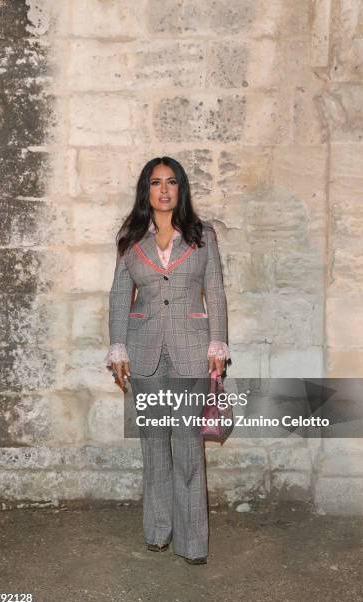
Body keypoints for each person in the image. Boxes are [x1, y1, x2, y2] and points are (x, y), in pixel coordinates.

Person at [105, 156, 229, 565]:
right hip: (144, 355)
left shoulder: (202, 235)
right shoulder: (130, 237)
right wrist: (117, 347)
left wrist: (218, 345)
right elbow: (121, 295)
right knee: (154, 445)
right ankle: (158, 531)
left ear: (181, 189)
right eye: (155, 182)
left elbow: (216, 291)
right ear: (146, 190)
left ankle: (192, 543)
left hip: (192, 351)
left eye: (171, 182)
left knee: (189, 447)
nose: (163, 190)